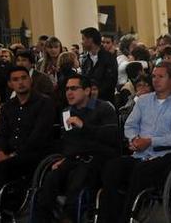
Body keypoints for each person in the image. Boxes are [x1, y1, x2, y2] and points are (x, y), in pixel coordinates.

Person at [99, 62, 171, 223]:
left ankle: (125, 217)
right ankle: (107, 217)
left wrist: (150, 141)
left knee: (141, 171)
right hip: (140, 153)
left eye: (160, 76)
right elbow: (130, 124)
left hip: (166, 155)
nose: (155, 80)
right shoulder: (143, 101)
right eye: (154, 76)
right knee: (112, 166)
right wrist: (134, 139)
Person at [0, 66, 55, 221]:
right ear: (10, 84)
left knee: (2, 166)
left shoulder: (44, 103)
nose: (21, 82)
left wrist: (13, 154)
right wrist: (0, 152)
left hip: (34, 154)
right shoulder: (8, 106)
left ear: (30, 80)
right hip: (8, 153)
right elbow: (2, 134)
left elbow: (38, 136)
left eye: (24, 78)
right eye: (16, 80)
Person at [34, 74, 118, 223]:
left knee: (79, 176)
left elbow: (112, 136)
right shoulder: (66, 112)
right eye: (67, 89)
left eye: (74, 88)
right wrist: (64, 157)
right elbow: (68, 141)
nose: (69, 93)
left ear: (86, 91)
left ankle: (69, 218)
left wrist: (84, 126)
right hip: (74, 157)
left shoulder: (103, 107)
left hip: (98, 157)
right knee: (51, 177)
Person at [80, 27, 118, 102]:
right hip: (90, 101)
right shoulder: (85, 60)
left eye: (83, 39)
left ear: (90, 40)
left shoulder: (108, 58)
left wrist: (95, 92)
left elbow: (111, 81)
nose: (82, 42)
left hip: (105, 101)